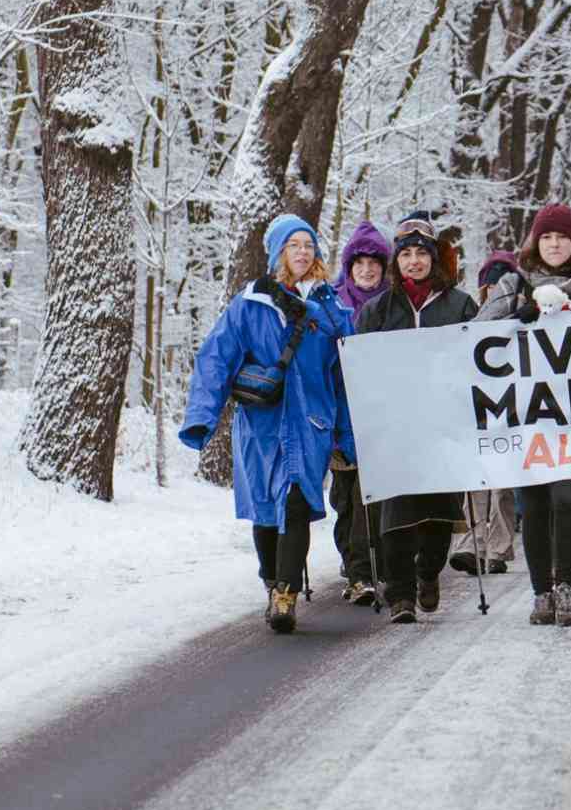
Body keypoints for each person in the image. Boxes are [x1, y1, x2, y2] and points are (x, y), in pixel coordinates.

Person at [182, 214, 355, 634]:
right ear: (278, 252)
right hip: (261, 424)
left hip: (311, 422)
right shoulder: (249, 305)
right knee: (264, 506)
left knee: (296, 502)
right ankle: (271, 579)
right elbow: (216, 358)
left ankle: (286, 594)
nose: (302, 251)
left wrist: (347, 435)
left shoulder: (331, 308)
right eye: (293, 244)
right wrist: (202, 418)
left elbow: (347, 375)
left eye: (308, 245)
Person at [474, 203, 571, 626]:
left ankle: (566, 586)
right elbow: (478, 332)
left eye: (562, 237)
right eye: (547, 237)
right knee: (534, 504)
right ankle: (541, 593)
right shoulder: (513, 283)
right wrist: (517, 319)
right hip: (528, 412)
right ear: (535, 242)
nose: (554, 244)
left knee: (568, 497)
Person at [352, 211, 480, 623]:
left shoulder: (460, 305)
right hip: (396, 429)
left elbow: (479, 360)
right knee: (396, 509)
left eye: (420, 253)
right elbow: (359, 365)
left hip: (445, 425)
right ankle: (401, 594)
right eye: (405, 254)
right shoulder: (377, 309)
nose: (413, 261)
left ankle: (429, 572)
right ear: (396, 261)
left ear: (433, 258)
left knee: (439, 510)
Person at [447, 249, 524, 579]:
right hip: (479, 408)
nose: (492, 294)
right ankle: (472, 542)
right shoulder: (473, 320)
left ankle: (498, 547)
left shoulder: (522, 320)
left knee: (503, 483)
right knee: (477, 479)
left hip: (513, 408)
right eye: (487, 288)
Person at [329, 219, 392, 604]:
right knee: (345, 499)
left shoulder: (394, 305)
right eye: (359, 264)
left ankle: (363, 572)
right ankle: (353, 563)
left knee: (371, 499)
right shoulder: (333, 304)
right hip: (341, 414)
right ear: (349, 267)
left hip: (381, 417)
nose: (367, 270)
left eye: (374, 263)